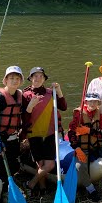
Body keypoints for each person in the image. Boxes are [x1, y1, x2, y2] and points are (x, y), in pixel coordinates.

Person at [68, 92, 102, 201]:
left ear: (98, 103)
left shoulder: (100, 116)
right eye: (90, 101)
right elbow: (71, 134)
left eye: (95, 101)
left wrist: (89, 130)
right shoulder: (78, 115)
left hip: (98, 146)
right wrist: (77, 148)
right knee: (80, 166)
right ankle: (91, 190)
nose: (92, 103)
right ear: (86, 102)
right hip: (83, 147)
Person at [22, 67, 67, 196]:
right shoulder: (25, 95)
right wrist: (30, 105)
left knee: (50, 164)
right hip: (34, 133)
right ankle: (42, 188)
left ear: (44, 79)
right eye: (34, 76)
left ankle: (31, 184)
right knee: (40, 163)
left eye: (40, 76)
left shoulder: (50, 93)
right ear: (30, 78)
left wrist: (58, 91)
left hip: (49, 133)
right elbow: (24, 117)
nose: (37, 78)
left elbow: (63, 107)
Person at [0, 66, 25, 191]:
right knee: (2, 168)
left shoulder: (20, 95)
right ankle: (2, 191)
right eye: (12, 78)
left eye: (17, 78)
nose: (15, 81)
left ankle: (11, 186)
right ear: (6, 80)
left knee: (13, 165)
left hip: (13, 136)